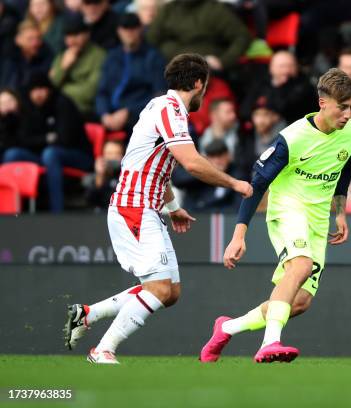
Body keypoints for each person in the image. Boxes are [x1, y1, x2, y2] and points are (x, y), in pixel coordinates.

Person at [63, 54, 253, 364]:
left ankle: (87, 315)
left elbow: (154, 165)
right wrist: (234, 184)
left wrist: (174, 206)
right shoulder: (169, 110)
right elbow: (191, 163)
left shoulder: (162, 108)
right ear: (198, 83)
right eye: (205, 88)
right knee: (159, 288)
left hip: (145, 206)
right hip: (134, 206)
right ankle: (103, 349)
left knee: (171, 292)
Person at [199, 68, 351, 363]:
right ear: (323, 103)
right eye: (343, 107)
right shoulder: (292, 138)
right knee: (300, 267)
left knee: (299, 302)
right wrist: (239, 235)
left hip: (317, 217)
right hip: (288, 208)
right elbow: (256, 185)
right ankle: (269, 343)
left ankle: (227, 328)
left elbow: (344, 170)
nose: (348, 114)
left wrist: (340, 212)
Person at [2, 73, 92, 212]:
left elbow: (65, 139)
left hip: (78, 156)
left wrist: (40, 140)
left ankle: (56, 212)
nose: (38, 94)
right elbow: (23, 140)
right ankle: (10, 210)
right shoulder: (29, 108)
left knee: (50, 154)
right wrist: (47, 138)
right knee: (12, 154)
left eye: (41, 89)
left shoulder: (63, 103)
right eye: (34, 90)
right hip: (44, 154)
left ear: (49, 89)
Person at [96, 12, 166, 135]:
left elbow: (159, 95)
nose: (129, 32)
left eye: (133, 28)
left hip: (139, 119)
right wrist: (104, 114)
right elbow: (102, 91)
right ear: (119, 31)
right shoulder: (112, 57)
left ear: (140, 29)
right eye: (125, 28)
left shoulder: (153, 57)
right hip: (110, 117)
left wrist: (130, 112)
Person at [146, 0, 251, 70]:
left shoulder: (215, 10)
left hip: (203, 69)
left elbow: (242, 37)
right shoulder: (169, 9)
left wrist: (223, 61)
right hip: (168, 68)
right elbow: (151, 38)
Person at [49, 14, 106, 118]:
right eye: (68, 36)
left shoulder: (99, 56)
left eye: (76, 35)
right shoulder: (63, 55)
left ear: (87, 34)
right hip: (59, 109)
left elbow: (90, 92)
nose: (72, 40)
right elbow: (49, 87)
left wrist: (60, 91)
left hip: (85, 111)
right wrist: (63, 68)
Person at [239, 50, 318, 124]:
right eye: (282, 66)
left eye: (291, 66)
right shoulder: (262, 83)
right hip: (260, 129)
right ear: (271, 68)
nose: (286, 71)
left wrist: (277, 86)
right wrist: (257, 116)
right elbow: (244, 110)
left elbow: (285, 109)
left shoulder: (304, 86)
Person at [172, 139, 241, 212]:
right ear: (206, 158)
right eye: (212, 156)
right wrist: (206, 172)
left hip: (223, 219)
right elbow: (177, 180)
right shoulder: (199, 174)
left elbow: (237, 207)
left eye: (220, 155)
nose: (217, 161)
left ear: (228, 156)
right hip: (195, 217)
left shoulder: (236, 175)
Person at [0, 20, 53, 90]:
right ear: (18, 40)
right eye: (30, 39)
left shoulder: (47, 56)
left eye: (38, 38)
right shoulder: (8, 59)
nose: (35, 43)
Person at [84, 139, 124, 210]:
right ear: (103, 155)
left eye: (117, 154)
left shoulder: (126, 176)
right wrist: (99, 175)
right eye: (109, 154)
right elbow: (90, 201)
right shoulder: (96, 176)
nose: (113, 157)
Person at [0, 88, 20, 160]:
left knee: (11, 154)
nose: (7, 105)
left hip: (21, 152)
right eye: (3, 103)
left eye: (9, 100)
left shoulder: (26, 116)